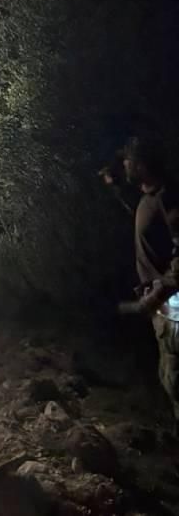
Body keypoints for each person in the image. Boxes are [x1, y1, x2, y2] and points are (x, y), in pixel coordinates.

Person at [106, 136, 179, 430]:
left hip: (174, 307)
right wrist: (116, 190)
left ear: (142, 164)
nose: (124, 165)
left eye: (128, 161)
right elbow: (148, 225)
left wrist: (157, 296)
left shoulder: (168, 198)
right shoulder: (150, 198)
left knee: (176, 377)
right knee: (170, 378)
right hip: (167, 306)